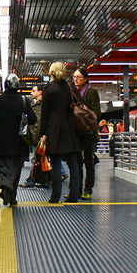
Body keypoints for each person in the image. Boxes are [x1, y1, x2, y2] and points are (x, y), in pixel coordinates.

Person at [0, 74, 36, 206]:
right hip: (19, 143)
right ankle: (12, 197)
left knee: (1, 166)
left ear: (5, 85)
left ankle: (5, 184)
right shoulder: (24, 101)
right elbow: (33, 119)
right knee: (16, 171)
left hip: (0, 143)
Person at [39, 62, 81, 203]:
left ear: (51, 73)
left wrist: (42, 133)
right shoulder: (70, 88)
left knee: (55, 163)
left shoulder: (49, 89)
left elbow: (44, 113)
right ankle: (74, 195)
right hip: (69, 128)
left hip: (54, 129)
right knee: (73, 163)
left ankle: (55, 196)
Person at [72, 67, 101, 200]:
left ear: (86, 79)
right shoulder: (72, 92)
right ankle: (77, 190)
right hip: (76, 132)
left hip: (88, 132)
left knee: (89, 162)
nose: (76, 79)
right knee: (76, 162)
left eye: (79, 77)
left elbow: (96, 112)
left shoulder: (91, 92)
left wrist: (84, 117)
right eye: (74, 77)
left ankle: (88, 190)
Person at [20, 85, 50, 188]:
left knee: (36, 158)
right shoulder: (34, 104)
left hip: (39, 137)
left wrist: (39, 137)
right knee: (41, 158)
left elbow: (39, 122)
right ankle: (44, 179)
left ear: (40, 92)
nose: (31, 93)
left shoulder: (43, 105)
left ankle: (32, 179)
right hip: (37, 136)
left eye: (34, 91)